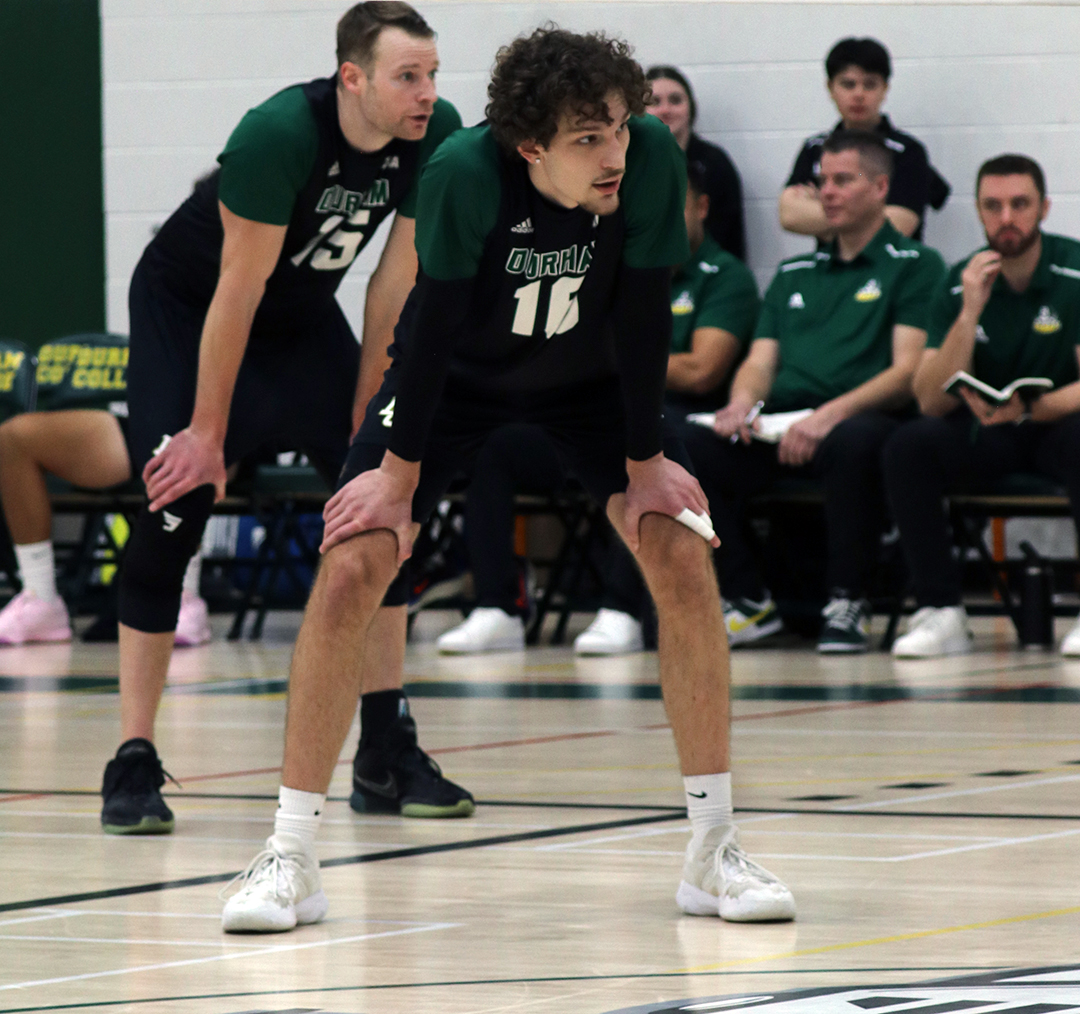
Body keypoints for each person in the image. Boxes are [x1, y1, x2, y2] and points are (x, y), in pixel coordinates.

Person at [221, 25, 795, 933]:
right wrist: (397, 479)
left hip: (588, 387)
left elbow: (646, 321)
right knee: (351, 565)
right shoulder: (460, 171)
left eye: (617, 127)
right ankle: (290, 853)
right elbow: (434, 329)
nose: (614, 153)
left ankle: (713, 849)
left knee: (682, 554)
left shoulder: (648, 160)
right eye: (586, 140)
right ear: (531, 146)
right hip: (452, 389)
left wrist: (646, 467)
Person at [100, 1, 474, 837]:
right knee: (176, 505)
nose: (426, 93)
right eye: (407, 76)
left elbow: (393, 282)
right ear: (354, 78)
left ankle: (385, 745)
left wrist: (365, 406)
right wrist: (205, 432)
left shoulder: (435, 133)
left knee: (379, 500)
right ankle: (130, 756)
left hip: (302, 322)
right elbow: (235, 291)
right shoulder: (278, 134)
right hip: (191, 309)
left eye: (433, 74)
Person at [436, 162, 759, 655]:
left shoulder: (725, 275)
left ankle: (621, 608)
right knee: (497, 446)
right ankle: (497, 604)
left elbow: (700, 370)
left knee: (642, 457)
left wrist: (612, 353)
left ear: (700, 208)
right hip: (587, 411)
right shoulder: (607, 258)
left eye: (671, 205)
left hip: (674, 419)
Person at [683, 131, 946, 653]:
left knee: (858, 443)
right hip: (782, 422)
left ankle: (847, 599)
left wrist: (827, 416)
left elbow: (907, 372)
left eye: (843, 180)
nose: (827, 192)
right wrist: (740, 406)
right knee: (691, 445)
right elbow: (760, 361)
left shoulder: (917, 265)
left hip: (859, 417)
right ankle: (746, 597)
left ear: (880, 188)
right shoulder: (792, 272)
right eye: (822, 180)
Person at [885, 155, 1080, 658]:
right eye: (993, 206)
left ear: (1044, 208)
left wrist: (1030, 409)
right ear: (978, 211)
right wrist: (970, 311)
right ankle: (942, 610)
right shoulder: (957, 280)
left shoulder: (1073, 271)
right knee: (908, 445)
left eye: (1020, 204)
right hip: (986, 431)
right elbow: (929, 397)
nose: (1006, 218)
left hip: (1055, 422)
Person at [779, 37, 949, 243]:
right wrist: (871, 215)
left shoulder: (907, 152)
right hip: (830, 271)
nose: (859, 94)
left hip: (894, 269)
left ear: (884, 89)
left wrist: (824, 217)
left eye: (870, 85)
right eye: (848, 84)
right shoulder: (815, 148)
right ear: (830, 88)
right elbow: (790, 215)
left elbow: (898, 225)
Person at [646, 66, 746, 260]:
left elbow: (730, 235)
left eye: (675, 100)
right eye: (654, 101)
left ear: (691, 107)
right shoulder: (626, 163)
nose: (665, 110)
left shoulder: (715, 164)